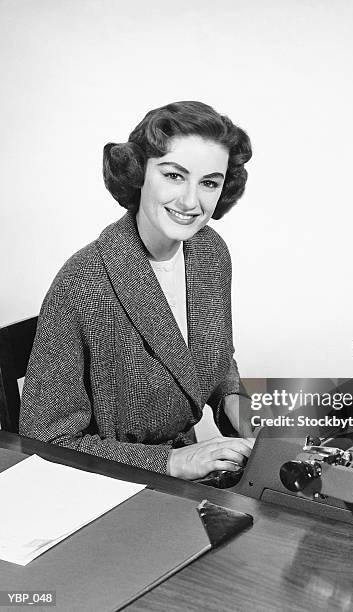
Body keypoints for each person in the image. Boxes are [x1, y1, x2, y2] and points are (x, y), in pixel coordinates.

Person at [20, 101, 254, 480]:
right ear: (138, 172)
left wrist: (241, 411)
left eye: (209, 182)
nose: (191, 202)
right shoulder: (83, 282)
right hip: (116, 488)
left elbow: (206, 358)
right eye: (174, 176)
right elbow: (46, 441)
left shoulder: (211, 252)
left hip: (192, 483)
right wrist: (170, 463)